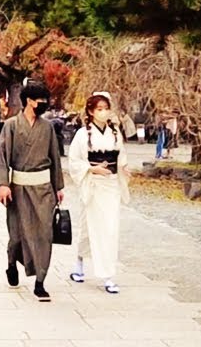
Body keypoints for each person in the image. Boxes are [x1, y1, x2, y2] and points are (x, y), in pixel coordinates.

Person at [0, 82, 65, 302]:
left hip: (43, 188)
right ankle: (12, 263)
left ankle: (40, 281)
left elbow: (55, 158)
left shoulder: (47, 127)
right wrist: (3, 184)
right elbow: (2, 155)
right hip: (19, 188)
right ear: (29, 101)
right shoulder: (11, 125)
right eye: (40, 100)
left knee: (44, 234)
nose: (44, 104)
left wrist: (58, 186)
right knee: (17, 234)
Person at [68, 93, 130, 294]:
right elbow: (74, 161)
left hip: (111, 185)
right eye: (99, 109)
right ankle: (79, 262)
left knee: (109, 229)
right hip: (93, 184)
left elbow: (121, 157)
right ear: (91, 111)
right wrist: (91, 169)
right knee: (88, 226)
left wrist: (123, 168)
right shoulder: (82, 134)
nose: (103, 112)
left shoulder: (114, 132)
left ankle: (108, 274)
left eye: (106, 108)